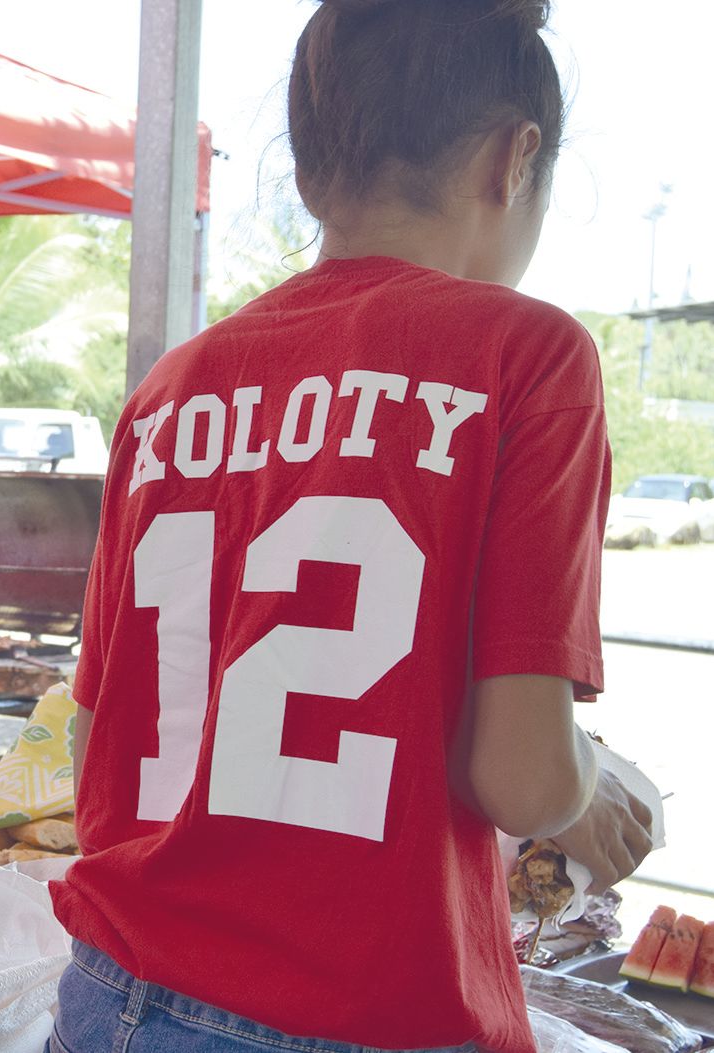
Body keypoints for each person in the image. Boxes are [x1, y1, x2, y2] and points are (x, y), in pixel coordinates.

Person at [46, 3, 656, 1052]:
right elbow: (524, 783)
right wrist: (587, 783)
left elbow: (94, 742)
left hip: (110, 992)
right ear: (514, 160)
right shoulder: (527, 355)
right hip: (352, 1013)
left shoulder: (169, 388)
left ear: (310, 165)